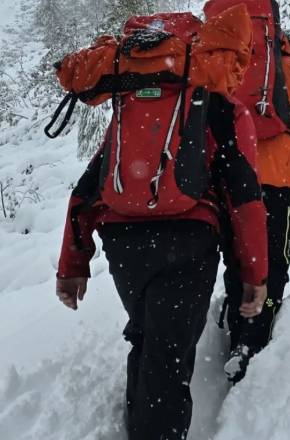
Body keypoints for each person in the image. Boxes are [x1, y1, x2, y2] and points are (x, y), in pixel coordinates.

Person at [53, 6, 269, 439]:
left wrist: (72, 266)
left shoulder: (130, 99)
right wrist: (253, 273)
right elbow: (243, 195)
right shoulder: (207, 99)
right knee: (168, 359)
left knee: (149, 339)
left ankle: (142, 425)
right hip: (188, 238)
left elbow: (88, 189)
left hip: (123, 241)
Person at [203, 0, 290, 384]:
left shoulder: (219, 67)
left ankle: (236, 325)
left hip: (226, 175)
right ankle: (254, 339)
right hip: (275, 178)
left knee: (238, 255)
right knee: (272, 258)